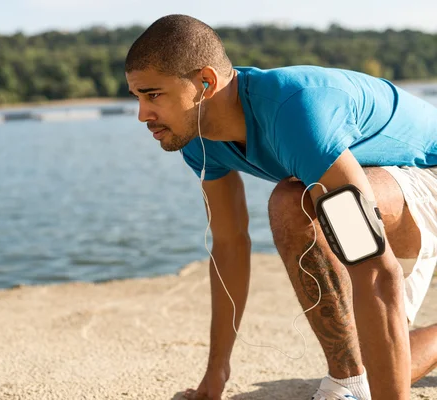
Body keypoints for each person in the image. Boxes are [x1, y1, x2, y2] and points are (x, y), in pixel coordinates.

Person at [124, 14, 437, 400]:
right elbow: (229, 245)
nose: (143, 115)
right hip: (386, 181)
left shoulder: (296, 114)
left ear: (205, 83)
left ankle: (347, 384)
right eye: (137, 97)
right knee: (376, 367)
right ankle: (353, 380)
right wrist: (216, 374)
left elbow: (372, 265)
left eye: (153, 95)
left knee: (296, 202)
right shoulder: (197, 138)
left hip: (427, 171)